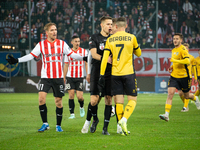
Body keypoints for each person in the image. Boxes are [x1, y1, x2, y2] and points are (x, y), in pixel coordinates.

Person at [6, 22, 87, 132]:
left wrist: (84, 57)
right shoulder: (41, 45)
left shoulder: (62, 44)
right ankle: (45, 124)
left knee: (58, 102)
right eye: (52, 30)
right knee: (41, 99)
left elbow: (72, 54)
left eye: (56, 30)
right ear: (47, 32)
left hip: (58, 77)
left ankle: (58, 125)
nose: (55, 32)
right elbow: (31, 55)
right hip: (45, 77)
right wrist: (17, 60)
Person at [99, 17, 142, 136]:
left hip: (115, 74)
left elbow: (104, 59)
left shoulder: (110, 39)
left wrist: (101, 75)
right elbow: (138, 53)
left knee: (119, 102)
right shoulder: (132, 37)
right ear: (126, 26)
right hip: (128, 73)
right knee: (132, 100)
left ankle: (121, 128)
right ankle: (124, 120)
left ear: (116, 26)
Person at [81, 16, 113, 135]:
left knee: (108, 99)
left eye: (111, 24)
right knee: (94, 101)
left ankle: (105, 128)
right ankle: (95, 119)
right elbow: (93, 54)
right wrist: (106, 59)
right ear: (102, 25)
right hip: (97, 71)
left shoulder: (113, 38)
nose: (110, 26)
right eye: (108, 24)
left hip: (110, 72)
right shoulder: (94, 38)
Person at [159, 33, 200, 122]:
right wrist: (172, 66)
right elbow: (176, 62)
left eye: (177, 39)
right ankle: (166, 114)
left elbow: (187, 60)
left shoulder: (183, 49)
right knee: (170, 94)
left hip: (184, 77)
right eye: (174, 39)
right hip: (174, 76)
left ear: (181, 40)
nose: (175, 40)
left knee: (186, 95)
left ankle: (195, 98)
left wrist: (174, 60)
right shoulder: (173, 50)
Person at [63, 35, 88, 119]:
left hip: (80, 77)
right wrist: (64, 77)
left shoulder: (84, 51)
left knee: (80, 97)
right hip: (70, 77)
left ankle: (81, 107)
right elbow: (66, 65)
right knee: (71, 95)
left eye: (79, 41)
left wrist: (88, 74)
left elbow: (86, 63)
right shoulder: (68, 52)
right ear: (72, 42)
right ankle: (72, 114)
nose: (78, 43)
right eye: (76, 41)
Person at [175, 43, 197, 112]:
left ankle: (185, 107)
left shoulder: (191, 57)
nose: (185, 49)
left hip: (188, 77)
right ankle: (195, 98)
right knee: (180, 93)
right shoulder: (179, 57)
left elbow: (194, 69)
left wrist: (195, 78)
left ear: (188, 49)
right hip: (179, 76)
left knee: (186, 93)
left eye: (187, 48)